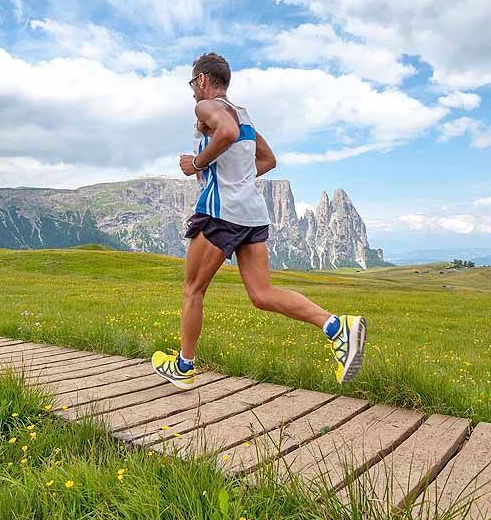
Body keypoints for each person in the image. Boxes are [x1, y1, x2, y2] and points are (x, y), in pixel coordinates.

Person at [151, 52, 367, 390]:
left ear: (205, 80)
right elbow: (268, 159)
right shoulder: (245, 115)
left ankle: (183, 366)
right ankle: (337, 327)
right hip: (251, 214)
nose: (193, 91)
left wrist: (196, 163)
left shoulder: (207, 109)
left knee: (193, 290)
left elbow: (226, 132)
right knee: (262, 293)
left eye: (194, 83)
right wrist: (236, 177)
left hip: (220, 214)